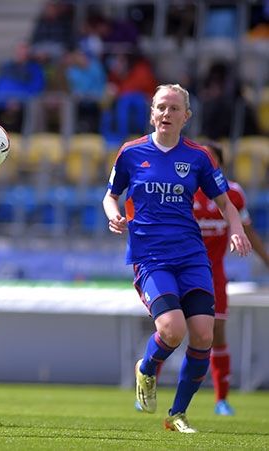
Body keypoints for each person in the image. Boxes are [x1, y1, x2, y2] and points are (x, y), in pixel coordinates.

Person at [102, 84, 252, 433]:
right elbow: (110, 196)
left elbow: (226, 204)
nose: (166, 114)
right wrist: (113, 215)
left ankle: (177, 415)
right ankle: (147, 369)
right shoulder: (130, 153)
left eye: (173, 108)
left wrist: (237, 230)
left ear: (186, 116)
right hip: (151, 257)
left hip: (191, 256)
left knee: (203, 335)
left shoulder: (199, 157)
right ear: (151, 113)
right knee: (172, 329)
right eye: (160, 108)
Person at [192, 142, 269, 416]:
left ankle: (221, 400)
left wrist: (266, 259)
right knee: (169, 329)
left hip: (214, 275)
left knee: (217, 334)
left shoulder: (232, 194)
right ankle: (148, 387)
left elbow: (247, 230)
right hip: (182, 271)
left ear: (219, 165)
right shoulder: (183, 190)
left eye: (208, 159)